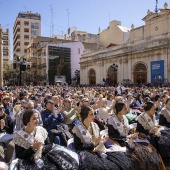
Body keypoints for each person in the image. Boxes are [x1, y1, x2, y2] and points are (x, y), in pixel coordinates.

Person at [13, 109, 79, 170]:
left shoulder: (41, 130)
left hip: (44, 156)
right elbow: (19, 155)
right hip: (28, 161)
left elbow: (49, 145)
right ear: (27, 121)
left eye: (38, 118)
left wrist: (42, 148)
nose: (37, 120)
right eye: (34, 119)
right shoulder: (19, 136)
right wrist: (32, 148)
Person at [72, 106, 134, 170]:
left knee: (119, 160)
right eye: (91, 114)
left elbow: (98, 140)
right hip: (86, 153)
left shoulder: (95, 125)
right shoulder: (77, 129)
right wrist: (93, 144)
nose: (94, 116)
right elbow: (77, 146)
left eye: (94, 114)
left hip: (99, 148)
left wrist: (102, 141)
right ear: (85, 115)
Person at [108, 102, 164, 170]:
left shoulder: (124, 117)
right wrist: (126, 137)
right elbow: (112, 134)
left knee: (145, 151)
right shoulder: (112, 119)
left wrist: (133, 134)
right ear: (119, 111)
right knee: (135, 155)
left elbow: (128, 130)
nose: (127, 110)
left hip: (129, 139)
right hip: (118, 141)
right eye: (125, 109)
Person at [136, 101, 170, 167]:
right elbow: (138, 130)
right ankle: (162, 160)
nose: (155, 110)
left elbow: (154, 125)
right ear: (148, 110)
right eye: (154, 109)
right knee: (160, 142)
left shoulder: (153, 114)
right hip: (147, 134)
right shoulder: (141, 117)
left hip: (154, 132)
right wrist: (149, 131)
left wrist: (156, 127)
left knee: (167, 136)